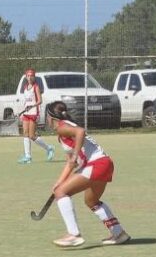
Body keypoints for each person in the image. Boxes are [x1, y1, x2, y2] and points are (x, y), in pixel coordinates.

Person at [46, 101, 130, 247]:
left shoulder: (62, 127)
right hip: (105, 163)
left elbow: (80, 132)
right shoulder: (65, 129)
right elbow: (70, 163)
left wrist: (75, 155)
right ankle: (119, 233)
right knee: (91, 201)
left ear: (50, 117)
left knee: (61, 193)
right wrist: (59, 181)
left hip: (96, 164)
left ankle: (73, 234)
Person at [17, 68, 55, 164]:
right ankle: (28, 157)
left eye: (31, 76)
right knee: (25, 133)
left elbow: (40, 101)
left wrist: (32, 106)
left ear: (34, 77)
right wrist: (22, 110)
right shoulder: (25, 87)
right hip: (26, 113)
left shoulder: (36, 87)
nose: (29, 78)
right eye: (28, 76)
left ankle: (49, 148)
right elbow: (26, 100)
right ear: (26, 77)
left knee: (32, 136)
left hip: (33, 112)